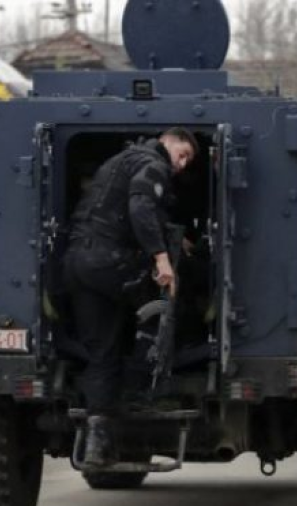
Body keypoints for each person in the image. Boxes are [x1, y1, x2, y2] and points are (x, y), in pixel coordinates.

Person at [64, 128, 198, 467]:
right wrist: (162, 257)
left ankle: (98, 442)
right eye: (183, 154)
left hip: (79, 264)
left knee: (102, 350)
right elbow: (140, 205)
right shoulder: (153, 163)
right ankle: (143, 391)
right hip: (110, 261)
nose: (181, 165)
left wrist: (171, 236)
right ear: (168, 141)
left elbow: (121, 208)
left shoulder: (119, 161)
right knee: (165, 300)